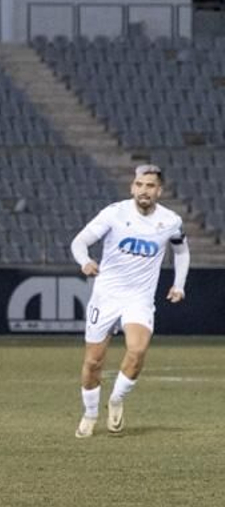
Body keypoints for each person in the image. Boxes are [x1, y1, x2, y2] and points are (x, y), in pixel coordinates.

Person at [70, 165, 188, 439]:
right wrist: (85, 261)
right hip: (106, 296)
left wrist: (179, 284)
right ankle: (89, 414)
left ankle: (116, 400)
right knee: (93, 363)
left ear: (159, 190)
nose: (143, 190)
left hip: (139, 298)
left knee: (137, 351)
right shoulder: (115, 213)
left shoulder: (170, 221)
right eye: (139, 184)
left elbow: (181, 251)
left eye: (149, 186)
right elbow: (80, 241)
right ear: (132, 187)